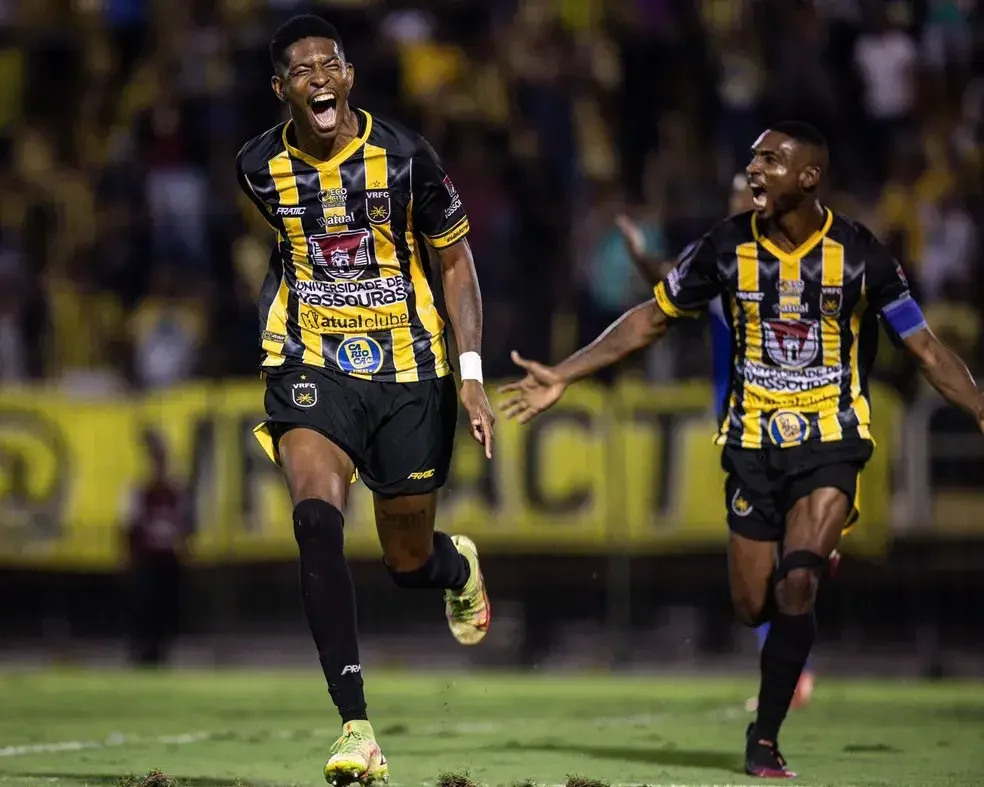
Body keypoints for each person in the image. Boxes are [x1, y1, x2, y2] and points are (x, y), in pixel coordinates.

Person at [501, 121, 984, 779]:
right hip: (751, 448)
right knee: (753, 602)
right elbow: (651, 317)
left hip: (830, 441)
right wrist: (566, 371)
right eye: (752, 160)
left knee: (798, 584)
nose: (755, 171)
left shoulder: (863, 256)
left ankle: (766, 735)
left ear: (809, 176)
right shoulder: (724, 248)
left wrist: (980, 406)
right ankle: (802, 581)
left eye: (771, 161)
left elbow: (924, 347)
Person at [235, 15, 494, 786]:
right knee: (315, 517)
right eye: (300, 70)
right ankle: (357, 727)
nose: (318, 78)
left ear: (348, 75)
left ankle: (456, 567)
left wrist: (472, 373)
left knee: (406, 559)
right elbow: (284, 252)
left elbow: (455, 262)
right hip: (311, 365)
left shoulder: (408, 156)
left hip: (412, 373)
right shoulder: (256, 166)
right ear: (280, 88)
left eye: (330, 64)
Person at [615, 175, 823, 712]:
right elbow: (665, 284)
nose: (742, 199)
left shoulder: (805, 258)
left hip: (792, 415)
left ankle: (789, 665)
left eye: (750, 192)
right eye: (736, 192)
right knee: (765, 552)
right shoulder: (718, 256)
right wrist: (641, 257)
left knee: (778, 547)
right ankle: (789, 668)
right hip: (739, 421)